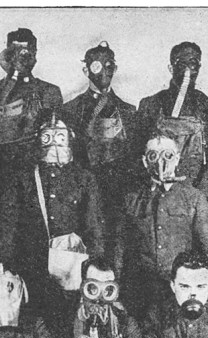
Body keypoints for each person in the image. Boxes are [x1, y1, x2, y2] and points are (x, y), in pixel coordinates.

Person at [0, 108, 104, 338]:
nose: (54, 144)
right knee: (33, 328)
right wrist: (6, 267)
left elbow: (94, 226)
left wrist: (96, 268)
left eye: (60, 136)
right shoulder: (22, 179)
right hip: (31, 267)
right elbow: (8, 227)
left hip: (72, 270)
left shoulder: (84, 178)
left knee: (69, 327)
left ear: (70, 138)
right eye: (47, 136)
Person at [114, 132, 208, 320]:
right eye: (153, 155)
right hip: (139, 291)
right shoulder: (131, 199)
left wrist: (201, 293)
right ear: (145, 161)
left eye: (168, 155)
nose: (161, 161)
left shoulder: (194, 198)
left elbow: (207, 251)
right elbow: (119, 248)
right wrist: (116, 289)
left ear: (177, 158)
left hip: (178, 293)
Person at [63, 41, 140, 256]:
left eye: (109, 65)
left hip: (119, 195)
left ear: (115, 68)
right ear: (86, 70)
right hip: (83, 194)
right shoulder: (70, 110)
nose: (104, 71)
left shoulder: (128, 112)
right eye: (97, 66)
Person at [0, 28, 63, 207]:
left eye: (27, 51)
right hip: (1, 177)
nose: (22, 56)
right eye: (15, 51)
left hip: (36, 178)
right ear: (7, 52)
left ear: (35, 53)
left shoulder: (49, 92)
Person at [135, 41, 208, 204]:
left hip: (194, 196)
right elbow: (137, 153)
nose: (188, 69)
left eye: (193, 63)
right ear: (171, 68)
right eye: (182, 63)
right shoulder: (150, 105)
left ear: (199, 67)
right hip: (157, 198)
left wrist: (200, 197)